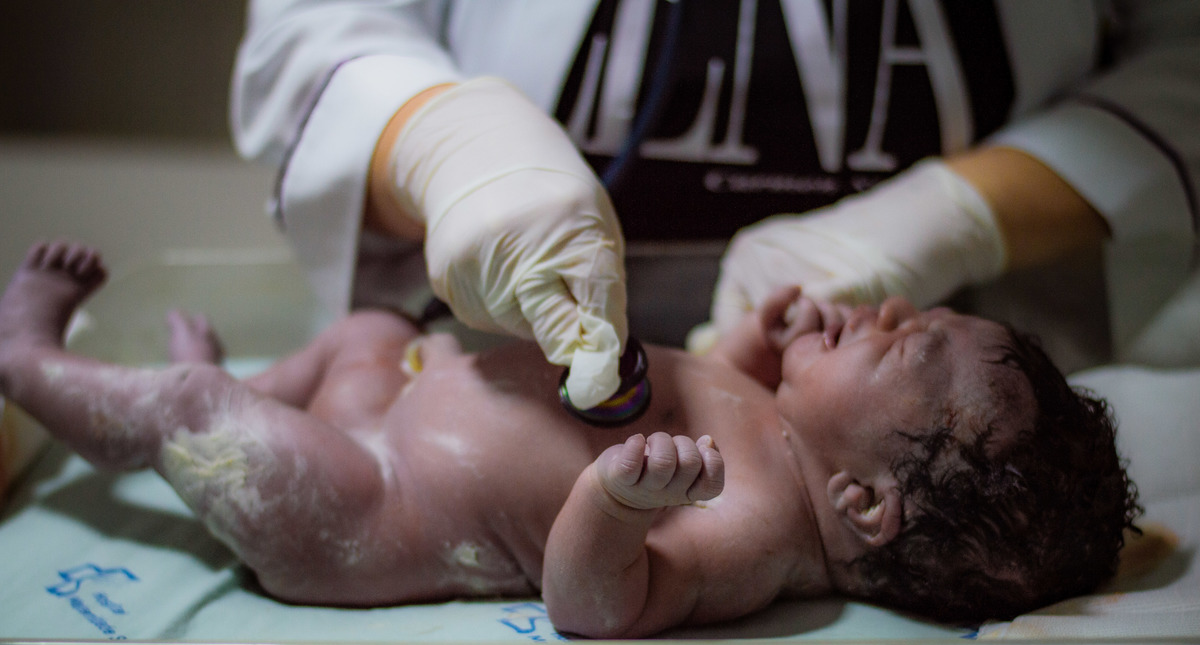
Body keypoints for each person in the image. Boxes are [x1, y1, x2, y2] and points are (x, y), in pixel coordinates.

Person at [0, 241, 1139, 637]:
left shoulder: (748, 530)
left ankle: (41, 368)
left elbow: (600, 604)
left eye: (898, 350)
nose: (886, 313)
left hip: (359, 506)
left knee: (200, 425)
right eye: (911, 315)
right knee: (367, 327)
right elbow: (706, 378)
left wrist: (617, 503)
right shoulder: (781, 431)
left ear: (864, 505)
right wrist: (748, 339)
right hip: (385, 404)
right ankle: (234, 382)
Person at [231, 1, 1200, 382]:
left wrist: (955, 215)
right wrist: (447, 149)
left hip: (976, 358)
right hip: (471, 350)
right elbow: (319, 33)